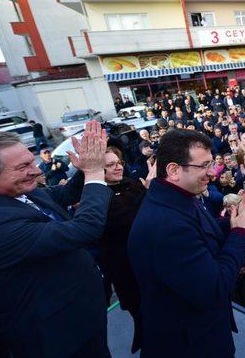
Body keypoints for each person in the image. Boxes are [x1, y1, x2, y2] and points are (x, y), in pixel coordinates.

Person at [127, 129, 245, 357]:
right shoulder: (167, 226)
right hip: (190, 345)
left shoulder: (176, 198)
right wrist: (242, 231)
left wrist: (238, 220)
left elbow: (203, 233)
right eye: (204, 166)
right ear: (174, 170)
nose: (213, 173)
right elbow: (215, 286)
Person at [0, 121, 113, 357]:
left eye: (32, 160)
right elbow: (84, 229)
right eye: (23, 167)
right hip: (56, 340)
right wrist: (94, 173)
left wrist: (84, 170)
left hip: (81, 320)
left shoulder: (18, 193)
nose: (38, 170)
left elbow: (63, 194)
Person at [100, 146, 153, 353]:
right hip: (124, 266)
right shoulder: (98, 196)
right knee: (139, 310)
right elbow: (126, 220)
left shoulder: (130, 183)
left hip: (147, 259)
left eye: (118, 162)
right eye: (111, 165)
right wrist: (148, 191)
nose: (118, 167)